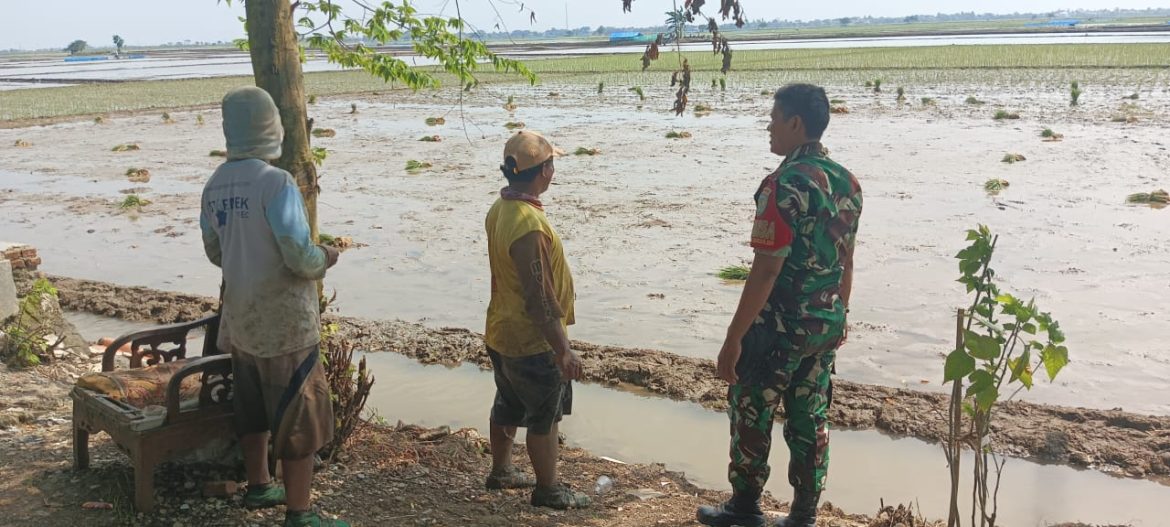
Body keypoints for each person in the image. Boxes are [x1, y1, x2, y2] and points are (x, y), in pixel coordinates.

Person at [697, 83, 863, 527]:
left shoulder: (784, 184)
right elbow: (846, 260)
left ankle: (746, 507)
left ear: (795, 123)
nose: (768, 126)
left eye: (774, 118)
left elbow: (766, 269)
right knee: (810, 418)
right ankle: (804, 514)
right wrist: (840, 314)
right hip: (824, 325)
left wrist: (733, 339)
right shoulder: (847, 182)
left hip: (779, 330)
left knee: (752, 407)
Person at [200, 86, 345, 527]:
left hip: (241, 318)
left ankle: (260, 484)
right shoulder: (276, 183)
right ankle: (299, 513)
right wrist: (327, 257)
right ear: (272, 129)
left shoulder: (215, 185)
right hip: (285, 325)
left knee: (252, 410)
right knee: (298, 418)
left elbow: (214, 252)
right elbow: (300, 258)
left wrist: (246, 259)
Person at [482, 130, 591, 510]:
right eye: (551, 164)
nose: (553, 171)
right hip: (531, 341)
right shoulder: (528, 224)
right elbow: (541, 298)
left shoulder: (502, 207)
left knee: (507, 401)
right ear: (544, 171)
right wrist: (564, 350)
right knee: (544, 417)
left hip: (501, 329)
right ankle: (548, 490)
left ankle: (501, 471)